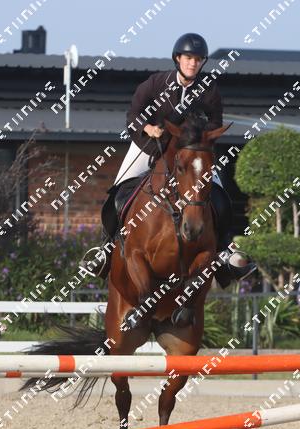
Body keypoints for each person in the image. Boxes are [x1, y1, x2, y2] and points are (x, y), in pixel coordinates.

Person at [81, 32, 255, 286]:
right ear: (178, 59)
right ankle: (105, 250)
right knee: (118, 194)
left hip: (190, 152)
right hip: (150, 147)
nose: (193, 63)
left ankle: (225, 253)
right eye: (188, 58)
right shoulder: (156, 83)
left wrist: (197, 133)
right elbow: (133, 114)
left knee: (219, 194)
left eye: (198, 59)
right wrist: (148, 128)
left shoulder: (209, 91)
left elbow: (216, 121)